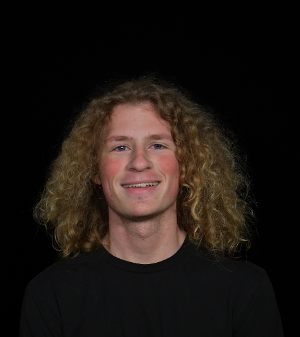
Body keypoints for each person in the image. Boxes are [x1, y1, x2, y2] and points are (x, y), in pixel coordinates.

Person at [20, 77, 284, 336]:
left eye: (157, 145)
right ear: (94, 170)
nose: (139, 162)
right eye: (121, 147)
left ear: (186, 166)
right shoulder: (50, 295)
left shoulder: (245, 290)